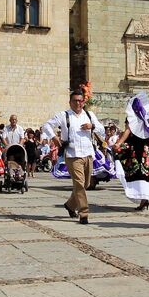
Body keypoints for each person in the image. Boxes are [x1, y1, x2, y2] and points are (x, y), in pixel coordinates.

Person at [42, 89, 100, 224]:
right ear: (70, 102)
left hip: (88, 153)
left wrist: (92, 126)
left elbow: (101, 129)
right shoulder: (63, 115)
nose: (78, 103)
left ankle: (70, 204)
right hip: (72, 154)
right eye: (75, 101)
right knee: (79, 183)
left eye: (80, 101)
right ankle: (84, 213)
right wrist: (54, 137)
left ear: (84, 102)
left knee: (85, 184)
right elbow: (46, 125)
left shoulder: (89, 115)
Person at [110, 93, 149, 211]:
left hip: (134, 149)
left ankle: (142, 199)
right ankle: (145, 199)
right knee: (146, 174)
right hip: (146, 149)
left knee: (136, 172)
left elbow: (128, 130)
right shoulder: (148, 116)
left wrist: (119, 143)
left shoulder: (134, 116)